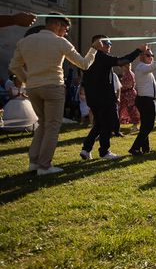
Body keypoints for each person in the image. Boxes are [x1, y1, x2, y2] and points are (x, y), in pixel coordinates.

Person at [9, 12, 97, 174]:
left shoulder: (24, 41)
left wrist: (28, 81)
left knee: (43, 124)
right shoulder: (60, 42)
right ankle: (44, 166)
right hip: (53, 87)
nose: (66, 32)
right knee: (52, 126)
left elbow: (14, 66)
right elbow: (84, 64)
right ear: (57, 25)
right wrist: (93, 49)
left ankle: (34, 162)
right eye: (66, 28)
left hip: (33, 88)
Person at [80, 36, 144, 160]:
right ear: (97, 44)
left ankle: (86, 149)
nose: (110, 45)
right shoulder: (101, 56)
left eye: (110, 42)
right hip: (104, 98)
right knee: (107, 125)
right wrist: (138, 50)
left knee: (98, 124)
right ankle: (104, 152)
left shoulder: (88, 58)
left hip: (93, 99)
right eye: (106, 43)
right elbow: (123, 61)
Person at [128, 46, 156, 155]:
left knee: (145, 125)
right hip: (146, 100)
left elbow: (154, 65)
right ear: (141, 56)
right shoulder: (141, 67)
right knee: (149, 125)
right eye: (148, 55)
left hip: (145, 100)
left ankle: (145, 149)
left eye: (151, 55)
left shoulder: (144, 67)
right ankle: (135, 148)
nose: (151, 57)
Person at [119, 63, 140, 133]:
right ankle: (117, 125)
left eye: (122, 66)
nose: (121, 68)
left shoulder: (129, 74)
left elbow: (128, 85)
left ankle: (135, 126)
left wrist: (120, 87)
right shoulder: (127, 73)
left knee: (132, 110)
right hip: (126, 94)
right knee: (123, 109)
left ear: (126, 66)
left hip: (129, 95)